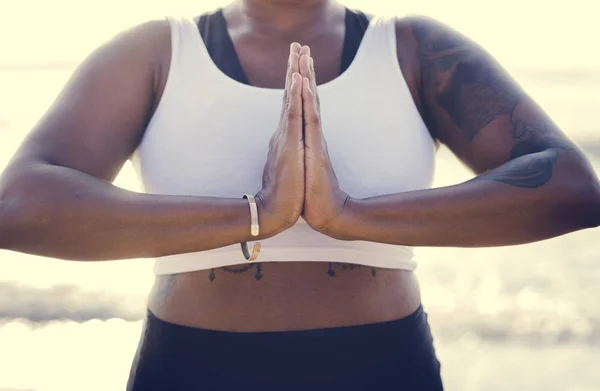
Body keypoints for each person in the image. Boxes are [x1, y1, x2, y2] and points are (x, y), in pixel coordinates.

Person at [0, 0, 599, 389]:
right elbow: (18, 205)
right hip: (192, 369)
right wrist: (255, 215)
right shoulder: (156, 51)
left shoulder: (413, 48)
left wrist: (349, 216)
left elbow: (570, 186)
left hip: (380, 367)